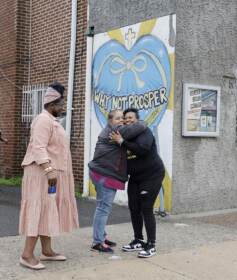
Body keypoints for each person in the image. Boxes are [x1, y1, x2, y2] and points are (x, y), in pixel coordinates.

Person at [19, 82, 79, 270]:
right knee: (39, 209)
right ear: (52, 104)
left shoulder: (52, 121)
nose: (63, 108)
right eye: (61, 105)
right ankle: (27, 255)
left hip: (49, 174)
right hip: (41, 174)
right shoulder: (43, 120)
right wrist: (48, 169)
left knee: (47, 209)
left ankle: (47, 251)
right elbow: (38, 147)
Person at [88, 109, 146, 253]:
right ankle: (98, 242)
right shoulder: (115, 132)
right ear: (110, 121)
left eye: (122, 118)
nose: (121, 121)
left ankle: (100, 236)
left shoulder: (111, 130)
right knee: (103, 208)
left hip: (100, 173)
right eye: (118, 118)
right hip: (104, 175)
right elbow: (140, 126)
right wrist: (136, 121)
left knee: (101, 207)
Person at [110, 108, 165, 258]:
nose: (127, 120)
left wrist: (122, 142)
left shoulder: (144, 131)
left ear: (137, 119)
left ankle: (151, 244)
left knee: (146, 208)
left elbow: (143, 150)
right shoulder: (123, 135)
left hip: (152, 175)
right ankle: (139, 240)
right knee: (134, 207)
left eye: (130, 118)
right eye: (125, 118)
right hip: (135, 177)